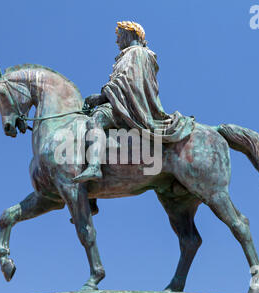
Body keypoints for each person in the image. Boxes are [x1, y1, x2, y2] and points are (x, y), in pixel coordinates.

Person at [73, 21, 194, 183]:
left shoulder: (137, 53)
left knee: (96, 119)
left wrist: (103, 97)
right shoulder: (132, 54)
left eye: (120, 36)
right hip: (122, 101)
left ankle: (94, 166)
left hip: (129, 106)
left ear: (130, 34)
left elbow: (129, 80)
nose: (117, 41)